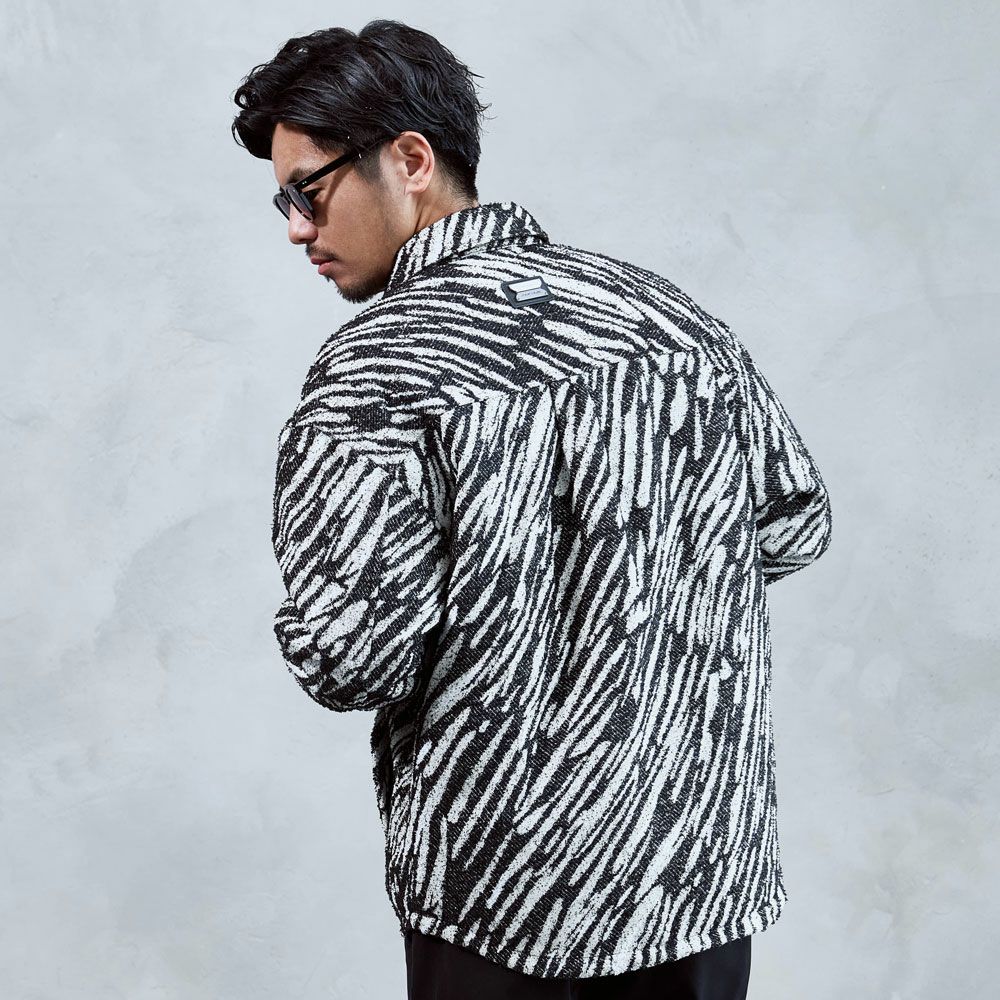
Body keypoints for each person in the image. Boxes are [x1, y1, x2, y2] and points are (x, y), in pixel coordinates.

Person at [231, 18, 833, 1000]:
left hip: (503, 896)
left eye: (309, 190)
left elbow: (354, 658)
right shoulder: (670, 319)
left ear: (410, 160)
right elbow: (792, 527)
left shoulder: (377, 367)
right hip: (695, 871)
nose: (297, 227)